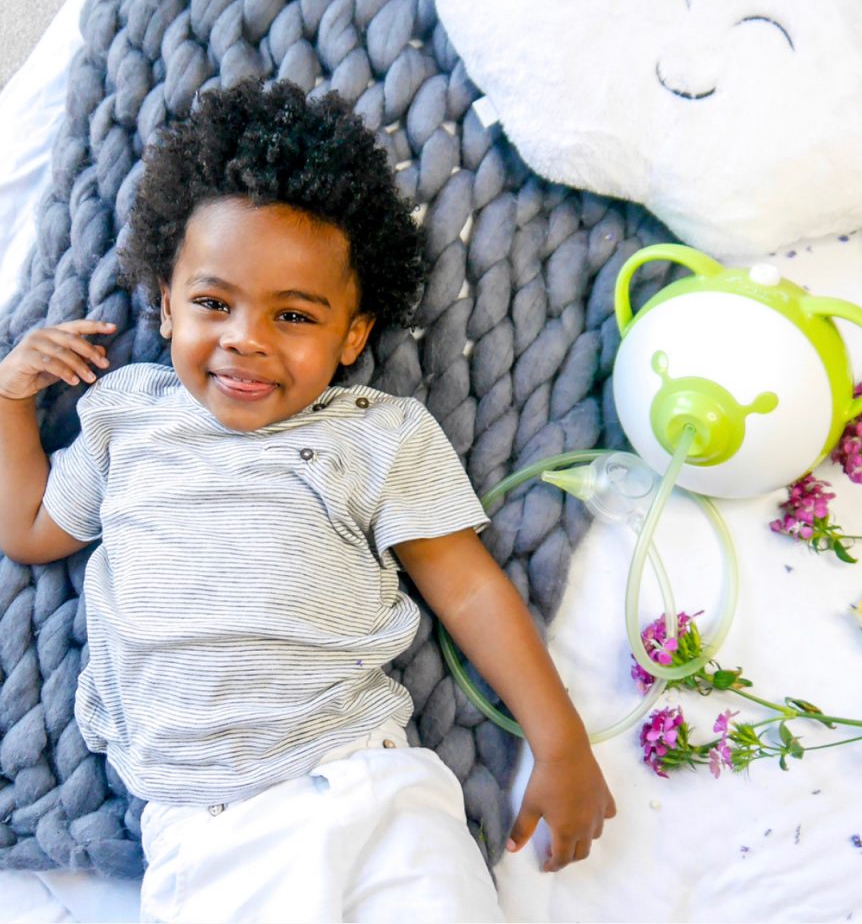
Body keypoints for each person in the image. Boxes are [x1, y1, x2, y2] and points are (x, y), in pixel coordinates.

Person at [0, 79, 614, 922]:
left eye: (293, 315)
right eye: (213, 304)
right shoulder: (127, 416)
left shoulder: (378, 434)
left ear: (352, 336)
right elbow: (32, 531)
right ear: (167, 303)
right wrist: (8, 404)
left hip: (373, 784)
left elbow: (467, 587)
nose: (246, 337)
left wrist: (559, 737)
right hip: (213, 829)